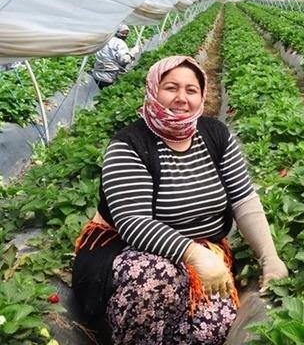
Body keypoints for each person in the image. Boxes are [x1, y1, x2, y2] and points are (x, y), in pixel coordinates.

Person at [72, 56, 288, 344]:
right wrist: (196, 256)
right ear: (153, 90)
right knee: (155, 280)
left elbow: (243, 199)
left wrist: (270, 258)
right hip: (132, 253)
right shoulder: (129, 145)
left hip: (204, 248)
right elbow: (133, 222)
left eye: (191, 90)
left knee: (212, 328)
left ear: (202, 95)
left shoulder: (216, 135)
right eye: (171, 88)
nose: (181, 98)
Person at [92, 24, 134, 89]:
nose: (124, 35)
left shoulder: (104, 40)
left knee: (103, 92)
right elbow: (124, 60)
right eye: (123, 33)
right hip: (110, 76)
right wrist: (132, 53)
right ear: (117, 32)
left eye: (126, 34)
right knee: (109, 93)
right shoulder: (120, 43)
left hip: (97, 75)